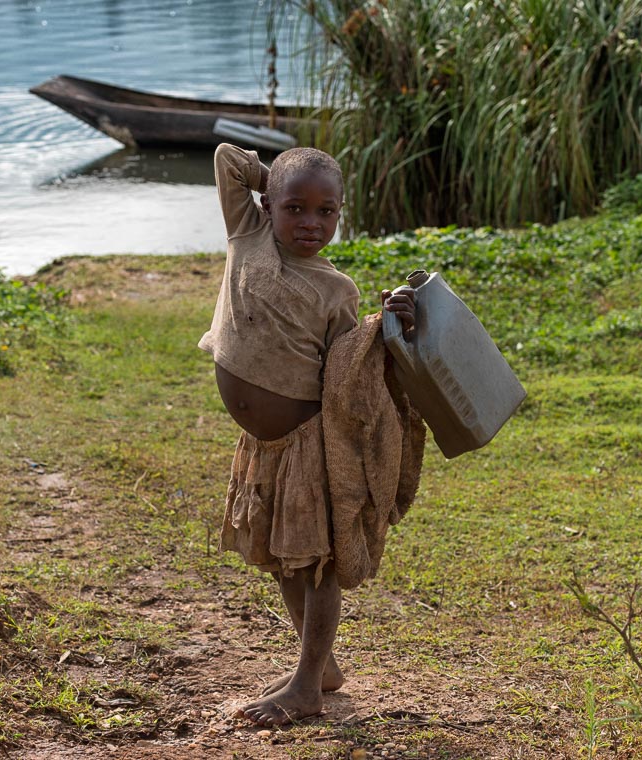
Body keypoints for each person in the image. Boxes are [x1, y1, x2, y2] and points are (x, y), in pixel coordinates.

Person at [199, 142, 416, 727]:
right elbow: (226, 158)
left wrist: (389, 325)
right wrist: (281, 181)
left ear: (341, 215)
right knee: (282, 559)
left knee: (315, 563)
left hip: (306, 445)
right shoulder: (247, 232)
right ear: (267, 206)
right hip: (261, 449)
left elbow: (352, 369)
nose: (311, 223)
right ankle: (319, 669)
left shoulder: (335, 289)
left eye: (327, 211)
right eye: (296, 208)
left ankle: (306, 686)